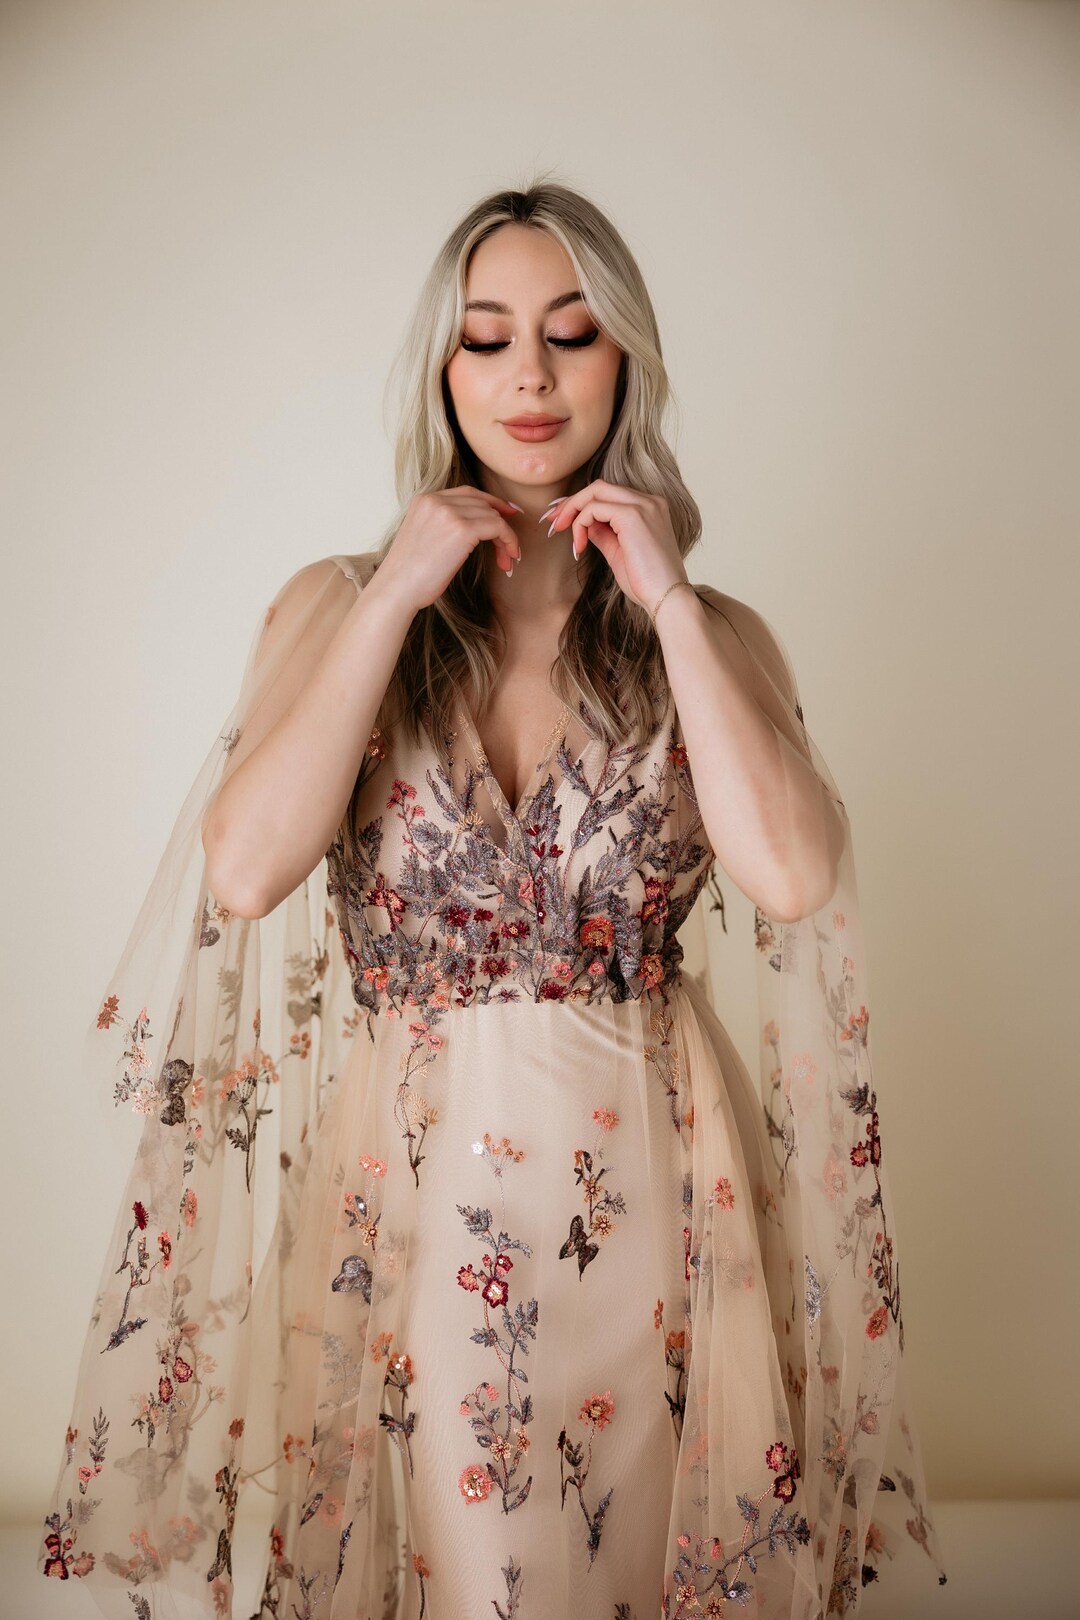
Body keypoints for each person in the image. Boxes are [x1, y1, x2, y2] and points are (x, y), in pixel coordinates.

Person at [40, 180, 947, 1619]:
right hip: (419, 1203)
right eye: (488, 337)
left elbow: (792, 875)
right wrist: (392, 596)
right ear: (443, 368)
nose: (530, 375)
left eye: (572, 334)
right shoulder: (342, 604)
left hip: (658, 1204)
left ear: (626, 363)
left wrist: (673, 605)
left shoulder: (705, 636)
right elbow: (245, 869)